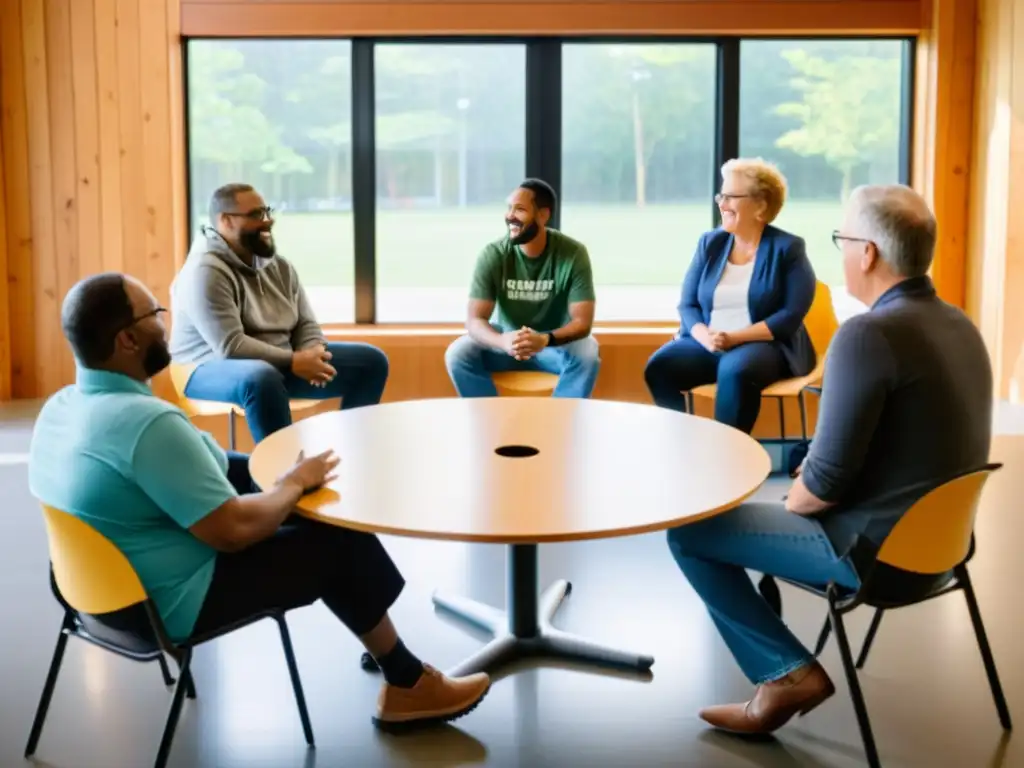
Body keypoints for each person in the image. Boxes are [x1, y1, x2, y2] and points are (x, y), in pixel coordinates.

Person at [28, 273, 491, 729]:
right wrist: (289, 488)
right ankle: (408, 682)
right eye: (156, 314)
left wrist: (275, 477)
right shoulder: (147, 426)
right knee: (337, 539)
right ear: (128, 339)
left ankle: (380, 640)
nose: (164, 324)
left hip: (93, 598)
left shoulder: (63, 407)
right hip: (167, 605)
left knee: (280, 490)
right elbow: (232, 533)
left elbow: (191, 468)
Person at [665, 185, 992, 734]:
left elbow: (823, 487)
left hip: (874, 555)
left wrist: (796, 494)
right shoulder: (960, 324)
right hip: (942, 549)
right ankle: (784, 670)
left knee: (690, 534)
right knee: (801, 459)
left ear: (868, 253)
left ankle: (787, 675)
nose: (841, 251)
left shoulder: (868, 334)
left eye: (843, 239)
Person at [169, 183, 389, 443]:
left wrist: (312, 352)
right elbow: (231, 345)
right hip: (204, 367)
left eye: (267, 211)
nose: (268, 221)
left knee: (370, 362)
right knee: (262, 378)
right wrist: (294, 361)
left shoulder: (280, 266)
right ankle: (284, 473)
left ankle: (352, 453)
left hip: (278, 362)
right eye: (256, 215)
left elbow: (305, 322)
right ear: (225, 221)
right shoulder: (205, 271)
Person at [644, 158, 817, 433]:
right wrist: (704, 336)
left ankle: (727, 456)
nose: (721, 204)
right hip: (708, 341)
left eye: (730, 197)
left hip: (765, 345)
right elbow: (687, 304)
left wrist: (734, 338)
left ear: (760, 206)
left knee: (735, 370)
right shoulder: (710, 243)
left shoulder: (788, 248)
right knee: (660, 366)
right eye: (720, 196)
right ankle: (682, 442)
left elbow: (789, 317)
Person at [444, 178, 600, 398]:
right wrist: (502, 341)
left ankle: (561, 421)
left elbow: (582, 323)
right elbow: (474, 320)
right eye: (509, 208)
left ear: (543, 215)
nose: (510, 216)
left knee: (588, 352)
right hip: (506, 344)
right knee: (458, 354)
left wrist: (544, 339)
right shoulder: (493, 254)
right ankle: (491, 418)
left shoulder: (573, 253)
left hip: (552, 347)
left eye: (520, 209)